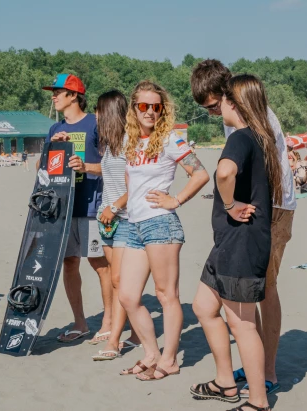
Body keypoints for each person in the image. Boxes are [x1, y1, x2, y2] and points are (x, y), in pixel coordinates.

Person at [191, 59, 296, 397]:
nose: (210, 113)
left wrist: (230, 205)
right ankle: (247, 373)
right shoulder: (241, 124)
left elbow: (233, 172)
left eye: (212, 106)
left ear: (229, 96)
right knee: (236, 302)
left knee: (259, 292)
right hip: (255, 210)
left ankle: (265, 374)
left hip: (271, 209)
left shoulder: (250, 124)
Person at [118, 80, 209, 380]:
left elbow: (201, 173)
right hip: (134, 225)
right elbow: (132, 182)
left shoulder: (170, 140)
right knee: (129, 296)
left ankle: (169, 360)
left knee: (166, 294)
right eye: (143, 106)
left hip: (161, 223)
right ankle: (151, 353)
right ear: (134, 108)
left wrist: (176, 199)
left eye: (156, 107)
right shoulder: (130, 142)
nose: (150, 112)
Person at [43, 73, 111, 344]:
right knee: (69, 264)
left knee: (99, 264)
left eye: (58, 91)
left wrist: (86, 167)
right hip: (63, 209)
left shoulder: (96, 123)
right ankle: (80, 323)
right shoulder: (53, 129)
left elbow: (113, 166)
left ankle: (108, 322)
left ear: (73, 95)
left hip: (92, 206)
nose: (53, 96)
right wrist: (53, 148)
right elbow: (43, 172)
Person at [91, 90, 141, 361]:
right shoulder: (109, 145)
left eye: (99, 111)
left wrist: (114, 207)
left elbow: (136, 185)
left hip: (123, 218)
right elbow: (108, 173)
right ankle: (135, 334)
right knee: (115, 278)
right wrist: (85, 167)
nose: (96, 116)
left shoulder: (128, 143)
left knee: (120, 280)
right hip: (107, 218)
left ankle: (113, 341)